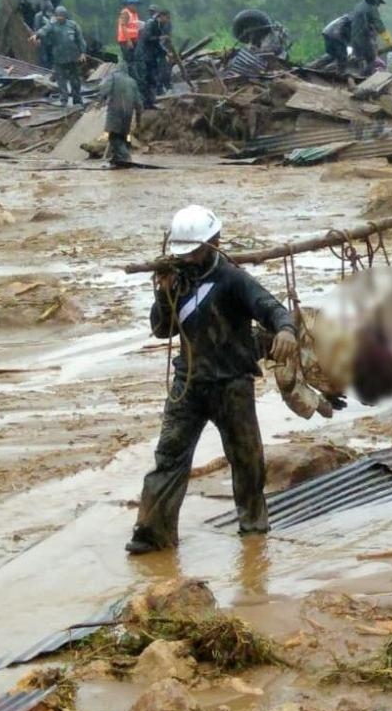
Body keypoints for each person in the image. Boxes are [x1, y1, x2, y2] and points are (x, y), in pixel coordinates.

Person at [127, 205, 299, 554]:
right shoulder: (178, 278)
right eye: (183, 253)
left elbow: (273, 308)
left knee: (246, 461)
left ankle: (253, 532)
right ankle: (151, 534)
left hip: (232, 383)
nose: (188, 259)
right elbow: (162, 329)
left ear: (213, 243)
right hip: (187, 386)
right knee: (169, 458)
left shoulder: (232, 279)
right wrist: (163, 292)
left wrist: (285, 330)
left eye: (194, 252)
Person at [30, 6, 86, 107]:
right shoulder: (52, 25)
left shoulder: (72, 25)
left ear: (65, 16)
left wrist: (82, 53)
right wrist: (36, 35)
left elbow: (80, 39)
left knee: (75, 81)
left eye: (62, 16)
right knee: (61, 81)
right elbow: (43, 30)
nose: (60, 18)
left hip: (73, 57)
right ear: (55, 16)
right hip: (59, 58)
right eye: (58, 16)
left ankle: (77, 99)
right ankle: (64, 100)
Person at [99, 69, 141, 164]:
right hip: (128, 113)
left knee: (113, 136)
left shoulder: (113, 77)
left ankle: (125, 156)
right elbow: (138, 102)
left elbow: (104, 90)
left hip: (115, 111)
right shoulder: (132, 81)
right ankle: (117, 157)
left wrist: (99, 100)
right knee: (123, 136)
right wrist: (138, 120)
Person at [136, 8, 171, 109]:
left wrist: (166, 53)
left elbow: (156, 45)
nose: (167, 21)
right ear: (162, 16)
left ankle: (150, 102)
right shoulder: (151, 24)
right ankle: (147, 103)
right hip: (145, 56)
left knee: (152, 79)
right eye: (167, 18)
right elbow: (148, 39)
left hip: (151, 56)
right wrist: (161, 38)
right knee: (148, 79)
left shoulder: (158, 26)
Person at [350, 0, 387, 74]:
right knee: (372, 59)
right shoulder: (372, 7)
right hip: (362, 38)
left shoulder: (360, 5)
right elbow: (380, 26)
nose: (379, 5)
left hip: (353, 36)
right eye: (379, 2)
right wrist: (389, 41)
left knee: (358, 58)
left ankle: (354, 75)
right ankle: (363, 77)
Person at [116, 0, 142, 76]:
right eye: (134, 5)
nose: (136, 7)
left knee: (135, 59)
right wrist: (129, 40)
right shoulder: (125, 13)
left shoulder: (134, 14)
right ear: (130, 5)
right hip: (125, 41)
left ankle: (135, 76)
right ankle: (131, 77)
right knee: (129, 61)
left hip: (134, 40)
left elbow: (135, 27)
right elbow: (123, 26)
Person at [33, 0, 56, 69]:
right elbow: (37, 27)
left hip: (51, 41)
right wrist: (38, 38)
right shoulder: (38, 16)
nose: (50, 12)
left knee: (51, 57)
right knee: (43, 58)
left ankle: (51, 69)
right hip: (42, 40)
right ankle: (43, 70)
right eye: (49, 9)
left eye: (51, 10)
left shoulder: (52, 16)